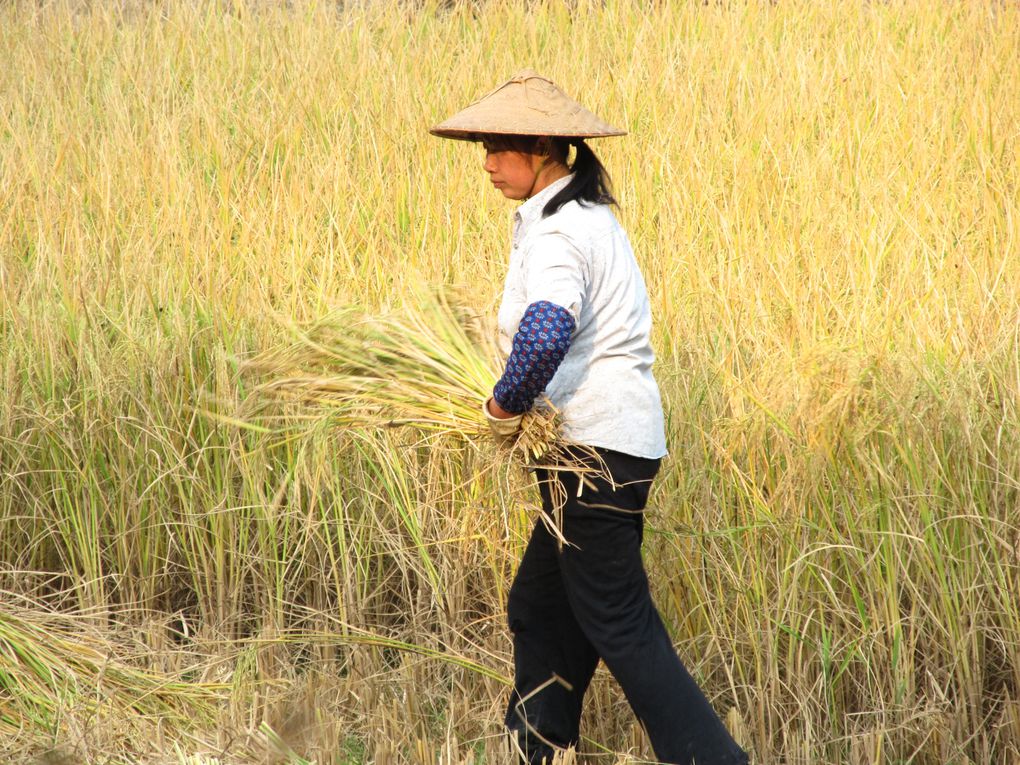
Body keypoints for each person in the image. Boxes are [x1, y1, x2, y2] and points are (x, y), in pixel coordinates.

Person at [430, 70, 749, 765]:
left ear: (542, 146)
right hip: (602, 449)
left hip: (594, 453)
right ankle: (540, 748)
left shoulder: (562, 233)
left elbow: (546, 332)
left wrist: (501, 405)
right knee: (541, 608)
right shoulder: (579, 218)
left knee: (620, 622)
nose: (485, 161)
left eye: (496, 146)